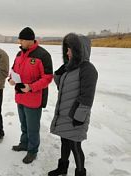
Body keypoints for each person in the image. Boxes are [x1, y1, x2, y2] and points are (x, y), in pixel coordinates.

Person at [48, 33, 98, 176]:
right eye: (67, 49)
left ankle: (80, 172)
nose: (67, 52)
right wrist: (59, 72)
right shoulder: (70, 67)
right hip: (64, 114)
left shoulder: (88, 69)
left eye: (70, 49)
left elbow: (87, 96)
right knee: (65, 141)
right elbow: (61, 87)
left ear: (79, 50)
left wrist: (79, 117)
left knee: (75, 145)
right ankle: (63, 167)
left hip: (76, 117)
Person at [8, 27, 53, 163]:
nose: (19, 42)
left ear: (28, 40)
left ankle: (32, 150)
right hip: (20, 96)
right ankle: (24, 143)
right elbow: (13, 70)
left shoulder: (43, 55)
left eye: (21, 40)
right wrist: (10, 79)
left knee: (33, 127)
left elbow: (48, 78)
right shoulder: (19, 54)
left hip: (33, 98)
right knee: (24, 124)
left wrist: (31, 87)